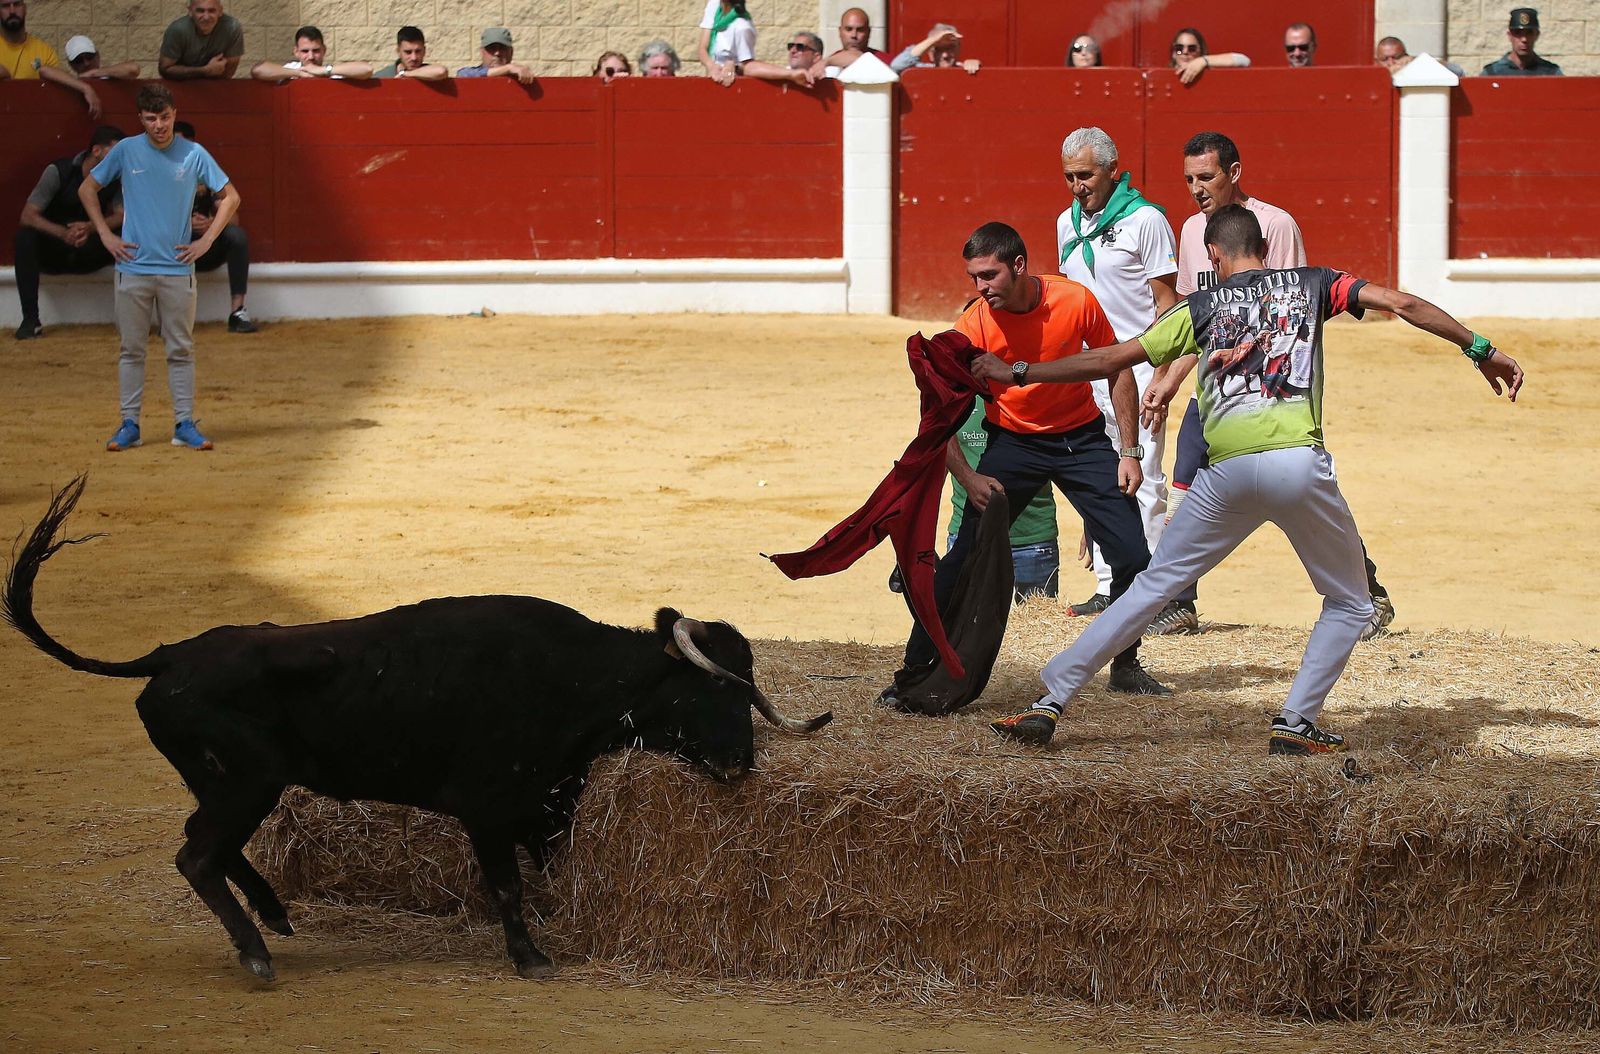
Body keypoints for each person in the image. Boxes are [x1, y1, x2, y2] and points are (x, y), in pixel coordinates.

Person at [984, 204, 1524, 754]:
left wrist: (1020, 372)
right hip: (1297, 465)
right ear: (1264, 248)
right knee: (1350, 603)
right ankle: (1295, 721)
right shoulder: (1315, 284)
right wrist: (1480, 349)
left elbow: (1110, 360)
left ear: (1213, 254)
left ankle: (1050, 700)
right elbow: (1402, 302)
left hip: (1226, 474)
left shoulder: (1200, 306)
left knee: (1151, 588)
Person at [881, 221, 1168, 706]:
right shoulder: (973, 323)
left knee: (1135, 557)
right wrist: (967, 475)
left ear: (1018, 265)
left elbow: (1118, 368)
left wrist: (1130, 451)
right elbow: (936, 411)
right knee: (961, 560)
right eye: (973, 276)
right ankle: (913, 669)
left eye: (989, 276)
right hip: (1012, 444)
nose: (980, 287)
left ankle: (1125, 663)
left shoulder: (1074, 300)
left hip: (1081, 440)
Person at [1055, 126, 1182, 632]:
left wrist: (1164, 373)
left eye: (1085, 175)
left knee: (1145, 477)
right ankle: (1110, 585)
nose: (1077, 186)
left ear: (1112, 169)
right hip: (1088, 371)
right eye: (1069, 177)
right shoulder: (1066, 221)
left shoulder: (1146, 220)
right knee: (1100, 478)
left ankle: (1149, 595)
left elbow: (1167, 304)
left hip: (1138, 366)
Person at [79, 84, 239, 453]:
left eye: (165, 117)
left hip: (177, 268)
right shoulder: (126, 149)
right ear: (141, 119)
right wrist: (105, 234)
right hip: (133, 266)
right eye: (151, 118)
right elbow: (88, 189)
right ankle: (129, 424)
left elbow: (231, 197)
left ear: (173, 113)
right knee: (131, 349)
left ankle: (184, 422)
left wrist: (207, 241)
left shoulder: (194, 153)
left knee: (180, 348)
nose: (159, 125)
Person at [13, 124, 124, 341]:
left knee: (131, 236)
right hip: (56, 247)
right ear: (96, 151)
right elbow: (28, 215)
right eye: (116, 152)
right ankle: (30, 319)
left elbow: (121, 215)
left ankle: (132, 319)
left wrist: (92, 228)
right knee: (25, 237)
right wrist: (63, 233)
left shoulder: (116, 177)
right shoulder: (59, 171)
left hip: (90, 246)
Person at [173, 121, 255, 333]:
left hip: (204, 246)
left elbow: (233, 218)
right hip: (172, 249)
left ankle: (238, 311)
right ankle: (168, 313)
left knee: (236, 235)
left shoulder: (205, 175)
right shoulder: (159, 173)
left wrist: (212, 225)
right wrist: (183, 223)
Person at [0, 0, 103, 115]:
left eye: (17, 4)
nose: (12, 11)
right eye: (5, 6)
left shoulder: (45, 51)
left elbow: (50, 75)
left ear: (25, 9)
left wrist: (85, 88)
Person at [251, 25, 372, 81]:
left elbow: (366, 69)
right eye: (305, 51)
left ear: (324, 50)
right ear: (296, 52)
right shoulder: (290, 70)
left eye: (316, 50)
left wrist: (325, 71)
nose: (311, 56)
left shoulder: (333, 72)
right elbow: (257, 70)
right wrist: (299, 73)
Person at [159, 0, 244, 80]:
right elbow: (164, 69)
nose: (206, 17)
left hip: (215, 85)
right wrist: (205, 70)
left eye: (211, 11)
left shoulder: (232, 28)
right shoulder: (177, 30)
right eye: (200, 11)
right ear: (190, 11)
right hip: (182, 84)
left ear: (220, 11)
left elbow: (228, 73)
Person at [1483, 8, 1563, 75]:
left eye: (1529, 33)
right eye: (1518, 33)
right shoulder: (1492, 73)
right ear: (1509, 36)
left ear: (1537, 35)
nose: (1524, 39)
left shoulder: (1551, 73)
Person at [698, 0, 757, 86]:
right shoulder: (714, 5)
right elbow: (702, 49)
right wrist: (711, 66)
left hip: (734, 83)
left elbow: (747, 65)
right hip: (713, 79)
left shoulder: (742, 26)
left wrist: (733, 66)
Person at [1169, 26, 1251, 85]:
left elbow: (1244, 60)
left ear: (1200, 52)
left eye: (1192, 49)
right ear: (1173, 53)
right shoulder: (1165, 77)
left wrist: (1204, 60)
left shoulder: (1209, 73)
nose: (1185, 52)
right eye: (1179, 49)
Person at [890, 23, 981, 74]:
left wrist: (975, 67)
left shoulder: (964, 70)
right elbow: (896, 66)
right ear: (930, 54)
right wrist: (934, 40)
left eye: (950, 48)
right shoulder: (921, 71)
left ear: (958, 51)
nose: (945, 55)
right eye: (938, 49)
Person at [823, 7, 889, 71]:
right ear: (840, 31)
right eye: (849, 29)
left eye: (860, 30)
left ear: (869, 32)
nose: (854, 35)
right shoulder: (825, 68)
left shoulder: (887, 63)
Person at [457, 27, 534, 82]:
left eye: (502, 48)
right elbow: (464, 74)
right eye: (492, 48)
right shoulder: (467, 74)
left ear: (511, 52)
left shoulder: (520, 78)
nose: (497, 53)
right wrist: (508, 68)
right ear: (482, 52)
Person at [374, 26, 447, 80]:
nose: (414, 58)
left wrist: (406, 74)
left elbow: (441, 71)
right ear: (398, 51)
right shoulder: (383, 77)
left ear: (424, 51)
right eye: (408, 52)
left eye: (418, 51)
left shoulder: (431, 74)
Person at [64, 35, 140, 79]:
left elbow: (133, 69)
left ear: (97, 56)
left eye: (89, 57)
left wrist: (93, 73)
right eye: (79, 60)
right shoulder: (72, 85)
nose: (86, 63)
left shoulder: (110, 75)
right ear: (72, 65)